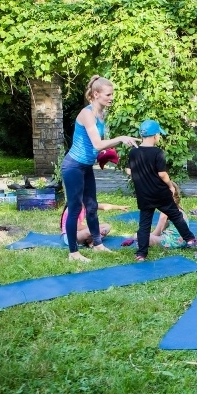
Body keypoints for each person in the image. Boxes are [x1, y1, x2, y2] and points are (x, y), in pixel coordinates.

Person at [61, 75, 139, 262]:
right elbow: (96, 143)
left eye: (112, 94)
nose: (111, 97)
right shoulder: (87, 114)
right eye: (108, 94)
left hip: (86, 166)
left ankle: (98, 244)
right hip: (73, 166)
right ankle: (73, 253)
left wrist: (105, 155)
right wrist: (120, 138)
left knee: (92, 206)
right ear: (96, 94)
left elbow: (93, 146)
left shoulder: (101, 114)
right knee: (74, 209)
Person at [128, 119, 197, 261]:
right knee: (175, 216)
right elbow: (162, 174)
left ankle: (141, 253)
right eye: (159, 135)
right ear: (154, 136)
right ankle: (190, 239)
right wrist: (170, 185)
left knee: (144, 224)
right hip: (160, 193)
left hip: (144, 195)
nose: (159, 137)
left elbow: (129, 171)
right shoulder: (157, 152)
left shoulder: (133, 152)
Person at [60, 202, 129, 247]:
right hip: (70, 237)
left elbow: (104, 206)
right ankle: (92, 240)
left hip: (81, 233)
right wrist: (95, 228)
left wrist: (119, 207)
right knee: (91, 231)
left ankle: (90, 240)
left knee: (107, 226)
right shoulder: (72, 209)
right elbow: (78, 227)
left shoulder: (85, 205)